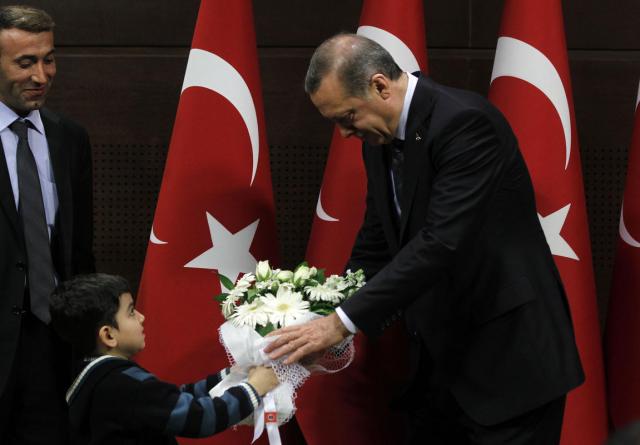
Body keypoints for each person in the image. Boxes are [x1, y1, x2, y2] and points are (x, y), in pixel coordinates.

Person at [265, 33, 584, 444]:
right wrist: (322, 314)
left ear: (380, 86)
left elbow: (441, 242)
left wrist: (341, 324)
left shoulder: (465, 123)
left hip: (509, 367)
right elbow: (376, 243)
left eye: (347, 117)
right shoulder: (377, 140)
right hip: (438, 374)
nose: (344, 133)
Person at [0, 5, 95, 444]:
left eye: (48, 59)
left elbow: (80, 252)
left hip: (53, 346)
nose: (41, 75)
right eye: (25, 63)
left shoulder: (69, 137)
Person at [49, 273, 280, 444]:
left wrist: (232, 375)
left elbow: (173, 398)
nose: (141, 317)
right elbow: (199, 417)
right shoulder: (125, 385)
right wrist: (254, 388)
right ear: (109, 335)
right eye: (131, 312)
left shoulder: (97, 378)